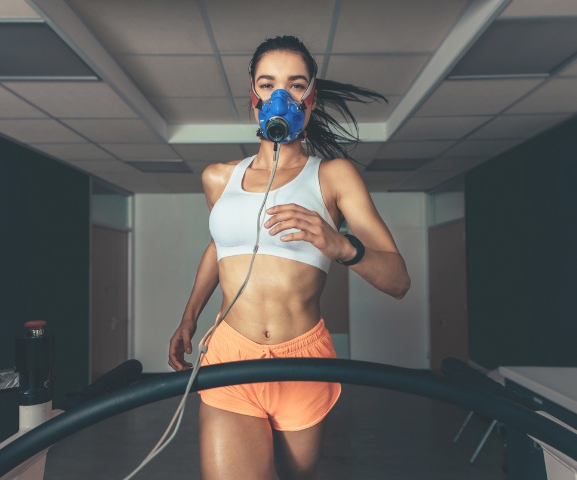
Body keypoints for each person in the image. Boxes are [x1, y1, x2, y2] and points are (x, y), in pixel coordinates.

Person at [168, 35, 411, 480]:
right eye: (268, 83)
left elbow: (398, 281)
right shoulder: (219, 177)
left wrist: (341, 246)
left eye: (296, 85)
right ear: (253, 97)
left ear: (311, 98)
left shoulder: (334, 175)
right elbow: (221, 245)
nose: (281, 95)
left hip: (304, 358)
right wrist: (189, 317)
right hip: (230, 354)